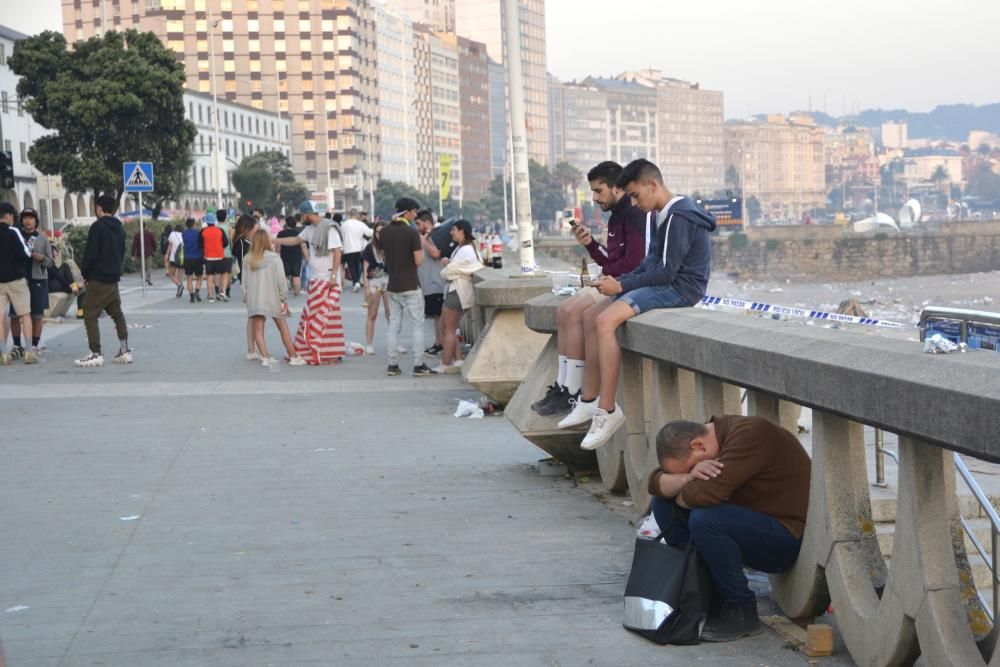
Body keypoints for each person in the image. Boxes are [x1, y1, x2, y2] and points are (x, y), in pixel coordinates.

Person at [559, 159, 716, 450]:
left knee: (605, 321)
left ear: (652, 185)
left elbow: (668, 271)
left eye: (635, 195)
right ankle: (589, 398)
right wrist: (625, 279)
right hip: (665, 283)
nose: (633, 202)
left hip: (679, 289)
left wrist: (621, 285)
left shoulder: (678, 216)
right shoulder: (664, 213)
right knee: (594, 314)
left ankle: (607, 410)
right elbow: (650, 263)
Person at [647, 416, 810, 642]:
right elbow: (655, 483)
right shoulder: (709, 437)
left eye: (693, 467)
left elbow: (705, 494)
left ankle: (741, 609)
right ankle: (702, 595)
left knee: (706, 519)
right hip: (749, 524)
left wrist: (681, 487)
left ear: (698, 446)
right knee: (663, 504)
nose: (696, 471)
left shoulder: (751, 435)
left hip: (785, 536)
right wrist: (688, 477)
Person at [532, 161, 653, 417]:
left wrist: (608, 275)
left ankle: (574, 391)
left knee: (576, 311)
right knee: (565, 311)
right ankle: (564, 387)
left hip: (622, 284)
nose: (595, 198)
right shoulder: (616, 217)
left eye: (599, 191)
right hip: (611, 280)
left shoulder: (633, 215)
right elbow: (611, 261)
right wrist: (590, 245)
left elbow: (632, 263)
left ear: (615, 188)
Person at [274, 201, 345, 365]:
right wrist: (274, 240)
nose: (302, 217)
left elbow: (337, 253)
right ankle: (320, 350)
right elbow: (295, 240)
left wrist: (334, 276)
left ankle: (329, 353)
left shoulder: (329, 228)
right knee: (315, 316)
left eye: (303, 215)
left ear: (309, 213)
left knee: (326, 317)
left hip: (328, 280)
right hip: (316, 279)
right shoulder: (310, 229)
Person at [381, 197, 435, 377]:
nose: (415, 216)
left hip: (393, 285)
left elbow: (385, 257)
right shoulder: (412, 233)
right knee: (418, 325)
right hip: (411, 284)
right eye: (413, 212)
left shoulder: (385, 232)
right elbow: (419, 261)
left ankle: (392, 365)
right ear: (407, 212)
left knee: (394, 325)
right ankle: (419, 364)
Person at [75, 193, 131, 368]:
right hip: (113, 278)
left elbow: (91, 253)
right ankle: (125, 350)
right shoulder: (120, 228)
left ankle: (95, 353)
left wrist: (85, 273)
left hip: (98, 278)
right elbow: (122, 252)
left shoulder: (97, 227)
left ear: (99, 208)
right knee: (117, 313)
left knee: (89, 313)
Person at [242, 228, 306, 367]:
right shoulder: (275, 258)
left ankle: (265, 357)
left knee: (258, 329)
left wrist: (247, 298)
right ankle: (293, 356)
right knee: (283, 327)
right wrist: (284, 298)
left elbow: (244, 282)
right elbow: (281, 281)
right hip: (274, 299)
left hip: (255, 299)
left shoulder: (247, 258)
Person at [433, 219, 482, 374]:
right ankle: (458, 359)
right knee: (446, 327)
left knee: (448, 329)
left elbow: (448, 272)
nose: (451, 232)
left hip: (457, 291)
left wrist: (447, 264)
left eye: (454, 229)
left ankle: (446, 363)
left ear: (462, 231)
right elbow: (452, 269)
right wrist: (449, 265)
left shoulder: (465, 250)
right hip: (456, 290)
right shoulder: (463, 248)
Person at [9, 208, 54, 356]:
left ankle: (34, 345)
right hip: (18, 280)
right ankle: (17, 345)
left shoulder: (42, 238)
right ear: (21, 220)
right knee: (15, 315)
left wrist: (42, 259)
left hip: (37, 280)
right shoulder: (15, 236)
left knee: (37, 315)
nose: (28, 221)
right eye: (25, 218)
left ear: (36, 221)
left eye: (31, 218)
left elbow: (51, 262)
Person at [0, 202, 37, 365]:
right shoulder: (13, 231)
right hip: (16, 281)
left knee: (0, 317)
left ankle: (4, 354)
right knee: (25, 315)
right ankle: (29, 352)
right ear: (8, 216)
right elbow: (25, 255)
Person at [415, 210, 445, 355]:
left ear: (426, 223)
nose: (416, 226)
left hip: (436, 283)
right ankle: (438, 343)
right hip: (428, 284)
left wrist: (423, 240)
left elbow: (436, 253)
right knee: (435, 316)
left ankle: (441, 344)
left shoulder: (434, 236)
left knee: (439, 316)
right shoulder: (426, 236)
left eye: (418, 223)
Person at [361, 220, 389, 355]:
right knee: (372, 314)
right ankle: (369, 344)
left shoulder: (392, 246)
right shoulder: (369, 247)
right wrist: (366, 286)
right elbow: (365, 267)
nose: (380, 235)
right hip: (374, 280)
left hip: (389, 280)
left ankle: (395, 343)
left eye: (383, 232)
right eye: (377, 232)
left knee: (391, 314)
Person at [341, 207, 373, 292]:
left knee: (351, 266)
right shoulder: (360, 224)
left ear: (349, 214)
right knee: (358, 265)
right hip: (358, 248)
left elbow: (340, 235)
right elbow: (369, 233)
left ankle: (356, 282)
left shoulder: (344, 224)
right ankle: (357, 281)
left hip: (347, 248)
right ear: (357, 215)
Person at [200, 212, 230, 302]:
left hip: (208, 257)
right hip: (219, 256)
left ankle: (210, 295)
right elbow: (226, 243)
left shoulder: (203, 231)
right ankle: (222, 292)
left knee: (210, 276)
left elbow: (200, 245)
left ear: (207, 222)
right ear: (214, 221)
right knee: (224, 273)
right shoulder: (220, 230)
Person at [276, 216, 304, 297]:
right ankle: (297, 293)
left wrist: (276, 253)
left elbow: (278, 247)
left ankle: (283, 293)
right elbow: (303, 246)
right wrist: (306, 256)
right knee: (296, 275)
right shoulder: (298, 234)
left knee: (284, 275)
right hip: (297, 256)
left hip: (285, 256)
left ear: (286, 223)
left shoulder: (281, 233)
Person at [181, 217, 205, 302]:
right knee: (199, 276)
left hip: (187, 258)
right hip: (198, 257)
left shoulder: (183, 234)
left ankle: (191, 296)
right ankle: (197, 291)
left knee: (189, 278)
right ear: (194, 224)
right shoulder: (198, 234)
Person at [231, 214, 256, 285]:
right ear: (246, 228)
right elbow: (243, 261)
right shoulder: (242, 242)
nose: (254, 230)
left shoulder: (243, 241)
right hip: (248, 277)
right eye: (252, 228)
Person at [216, 209, 234, 300]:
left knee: (218, 273)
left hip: (216, 254)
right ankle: (223, 291)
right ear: (226, 217)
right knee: (226, 273)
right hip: (227, 254)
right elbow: (231, 242)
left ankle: (218, 291)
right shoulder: (229, 228)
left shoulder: (214, 227)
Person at [165, 223, 185, 297]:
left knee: (171, 274)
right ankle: (179, 290)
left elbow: (170, 245)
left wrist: (167, 254)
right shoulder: (184, 235)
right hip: (183, 258)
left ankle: (179, 285)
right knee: (181, 274)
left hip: (174, 258)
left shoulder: (172, 234)